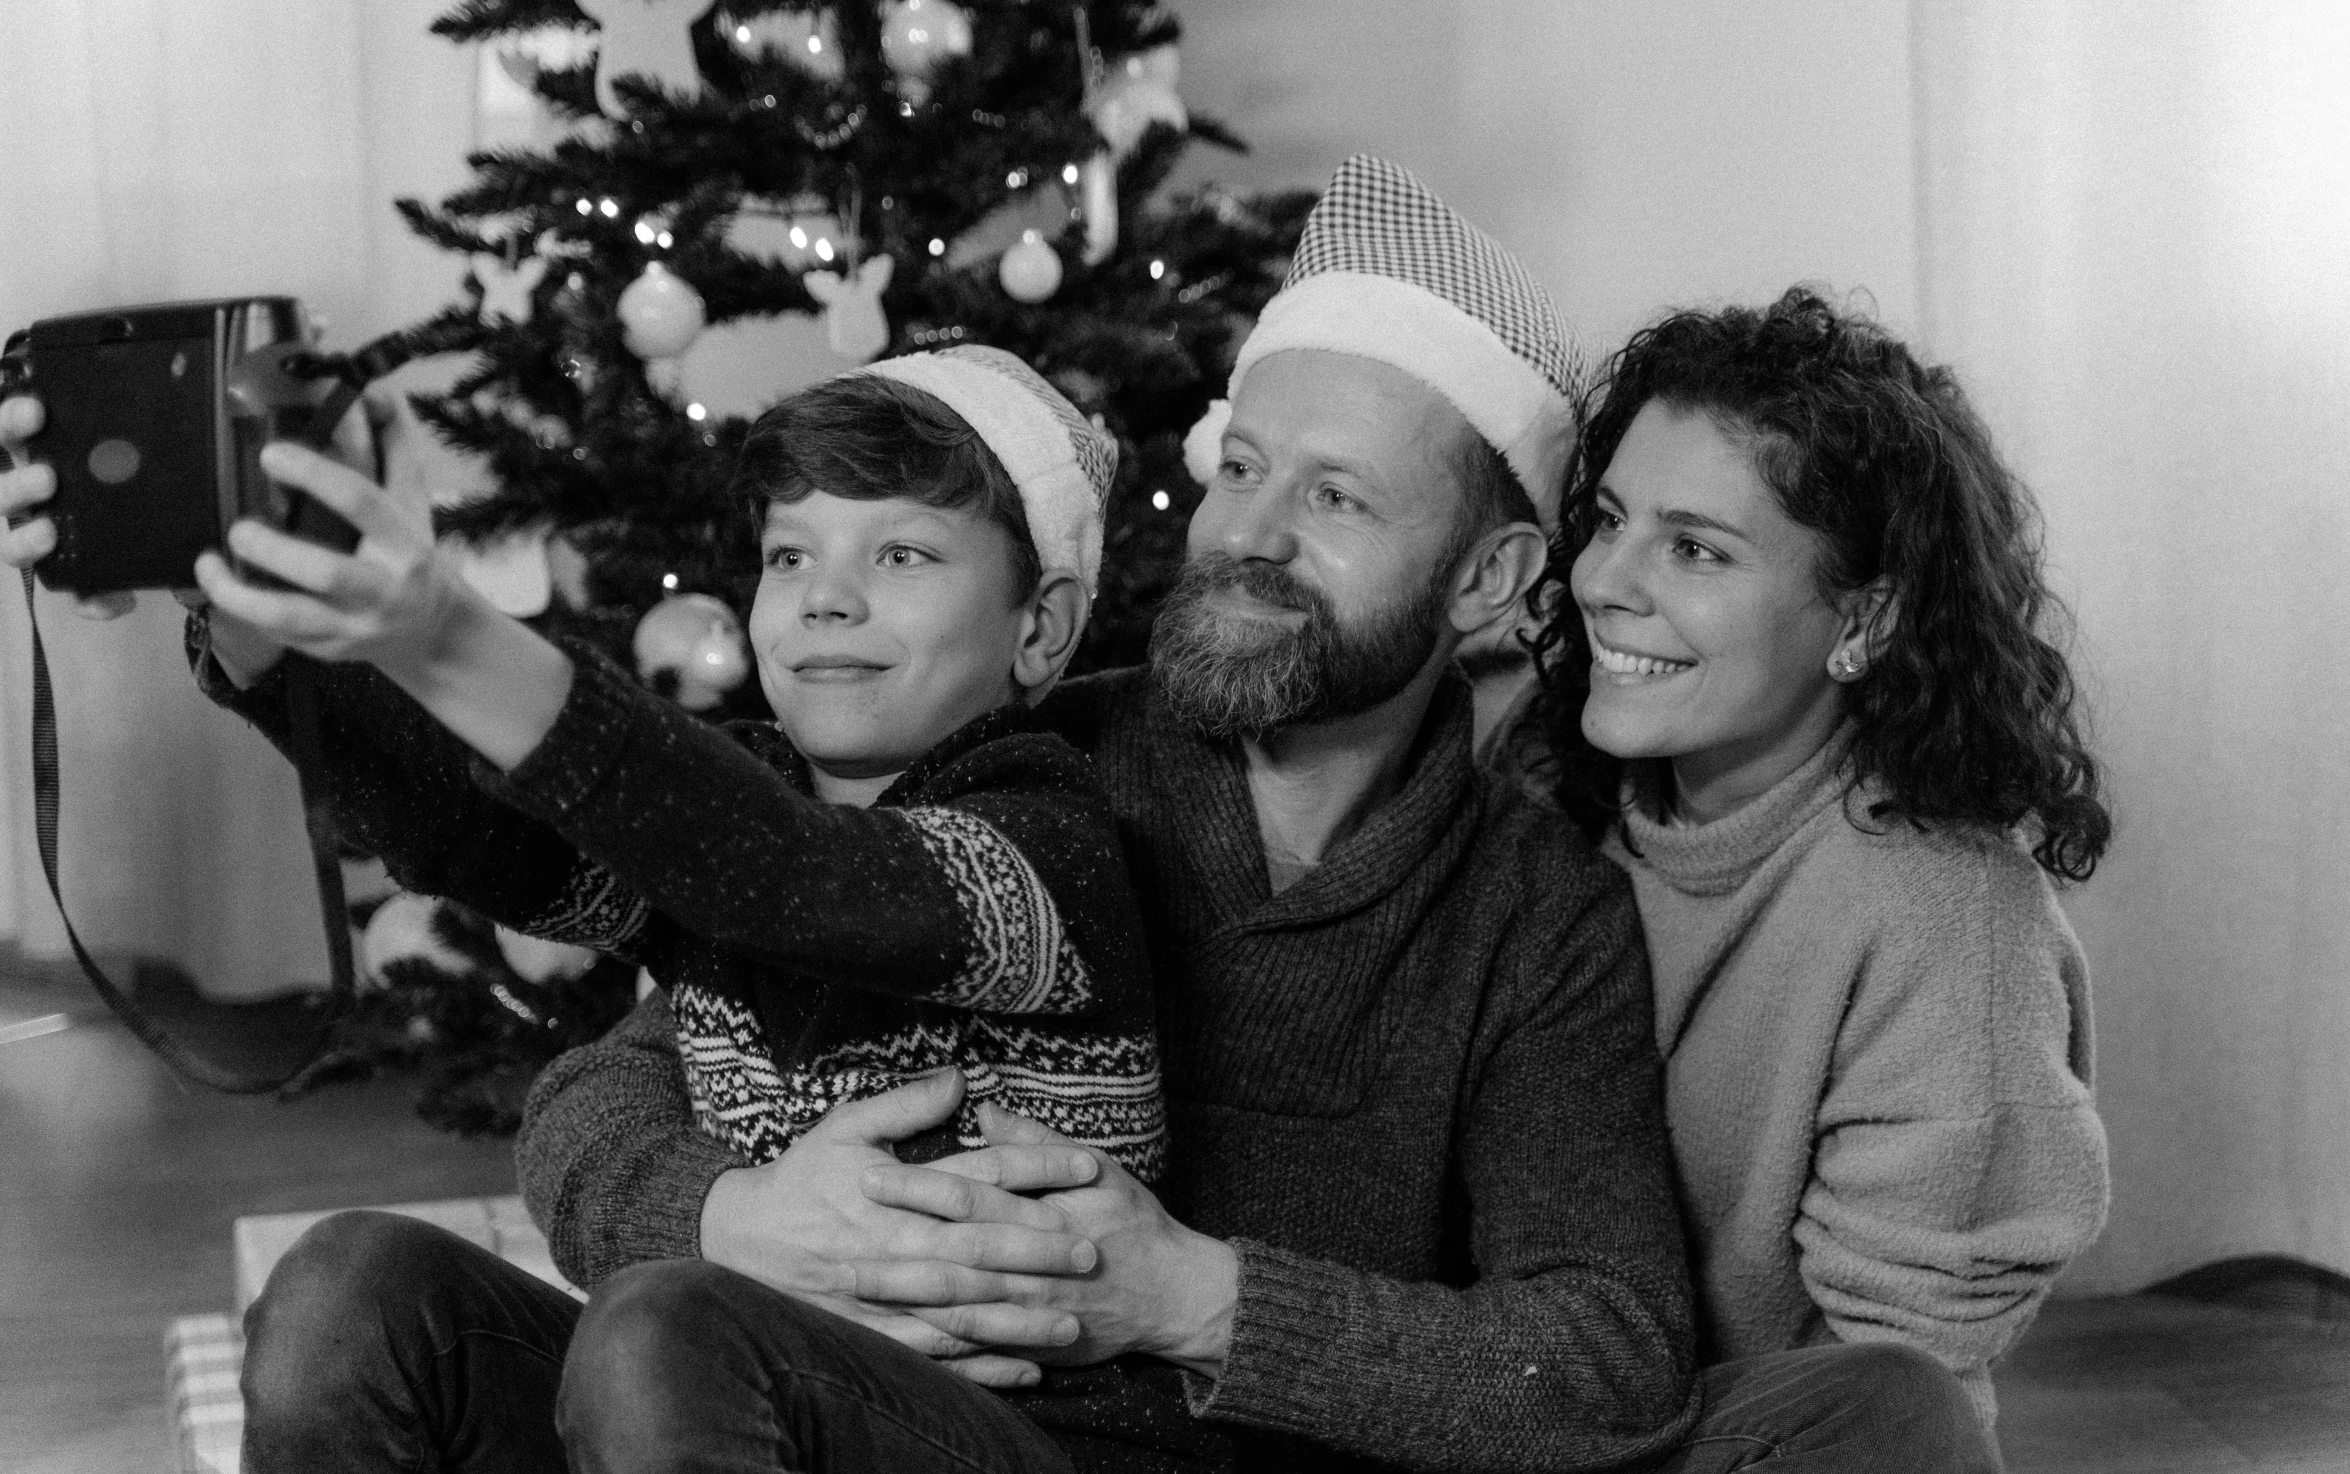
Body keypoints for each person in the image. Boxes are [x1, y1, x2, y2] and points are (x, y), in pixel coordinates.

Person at [1, 162, 1998, 1472]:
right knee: (362, 1289)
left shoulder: (1527, 913)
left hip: (1150, 1445)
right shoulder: (1039, 763)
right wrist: (733, 1204)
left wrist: (1186, 1291)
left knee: (1888, 1422)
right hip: (862, 1401)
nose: (1239, 534)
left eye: (1333, 498)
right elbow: (615, 1067)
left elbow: (1605, 1346)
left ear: (1486, 591)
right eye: (1237, 467)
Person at [1520, 286, 2112, 1427]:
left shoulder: (1946, 919)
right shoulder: (1547, 792)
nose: (1602, 580)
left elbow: (1895, 1398)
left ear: (1863, 623)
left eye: (1692, 548)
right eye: (1607, 518)